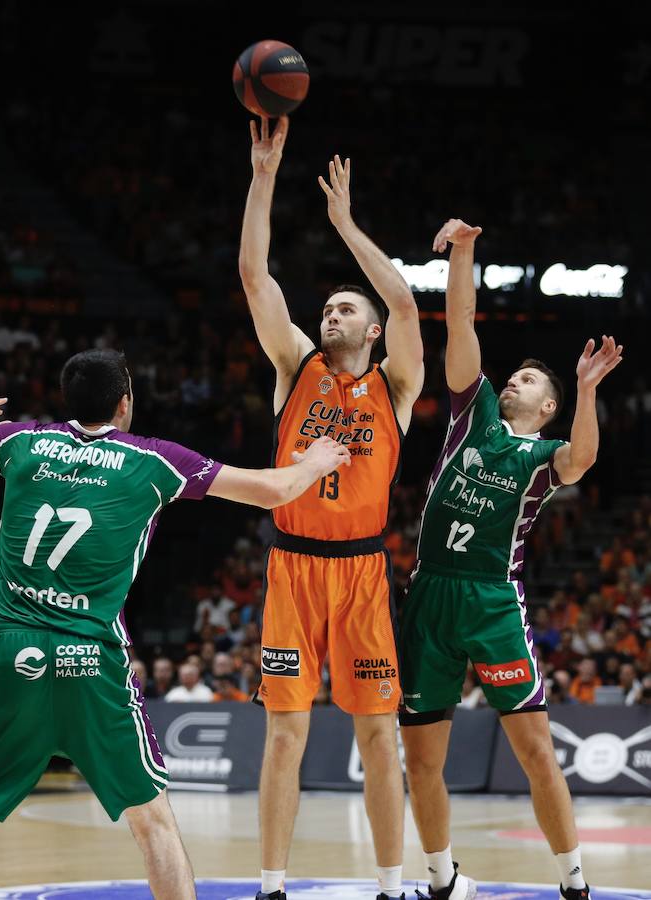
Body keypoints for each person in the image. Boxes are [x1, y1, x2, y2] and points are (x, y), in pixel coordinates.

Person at [0, 348, 349, 900]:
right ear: (126, 403)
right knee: (152, 822)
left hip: (10, 651)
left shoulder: (18, 442)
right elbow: (271, 491)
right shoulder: (152, 459)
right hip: (90, 659)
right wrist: (317, 461)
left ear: (65, 400)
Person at [399, 219, 623, 900]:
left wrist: (586, 391)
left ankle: (574, 882)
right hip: (428, 595)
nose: (515, 381)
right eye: (515, 376)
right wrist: (463, 253)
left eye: (528, 379)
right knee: (421, 758)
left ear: (546, 406)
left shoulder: (537, 458)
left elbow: (580, 461)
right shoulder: (474, 416)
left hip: (491, 600)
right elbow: (459, 325)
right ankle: (441, 881)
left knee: (534, 752)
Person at [239, 116, 424, 900]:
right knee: (285, 736)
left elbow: (407, 302)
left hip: (361, 574)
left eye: (347, 308)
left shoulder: (396, 384)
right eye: (329, 307)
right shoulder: (294, 365)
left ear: (373, 330)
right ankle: (271, 887)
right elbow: (254, 275)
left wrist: (345, 226)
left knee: (379, 736)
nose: (332, 314)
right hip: (292, 567)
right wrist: (264, 175)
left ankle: (390, 886)